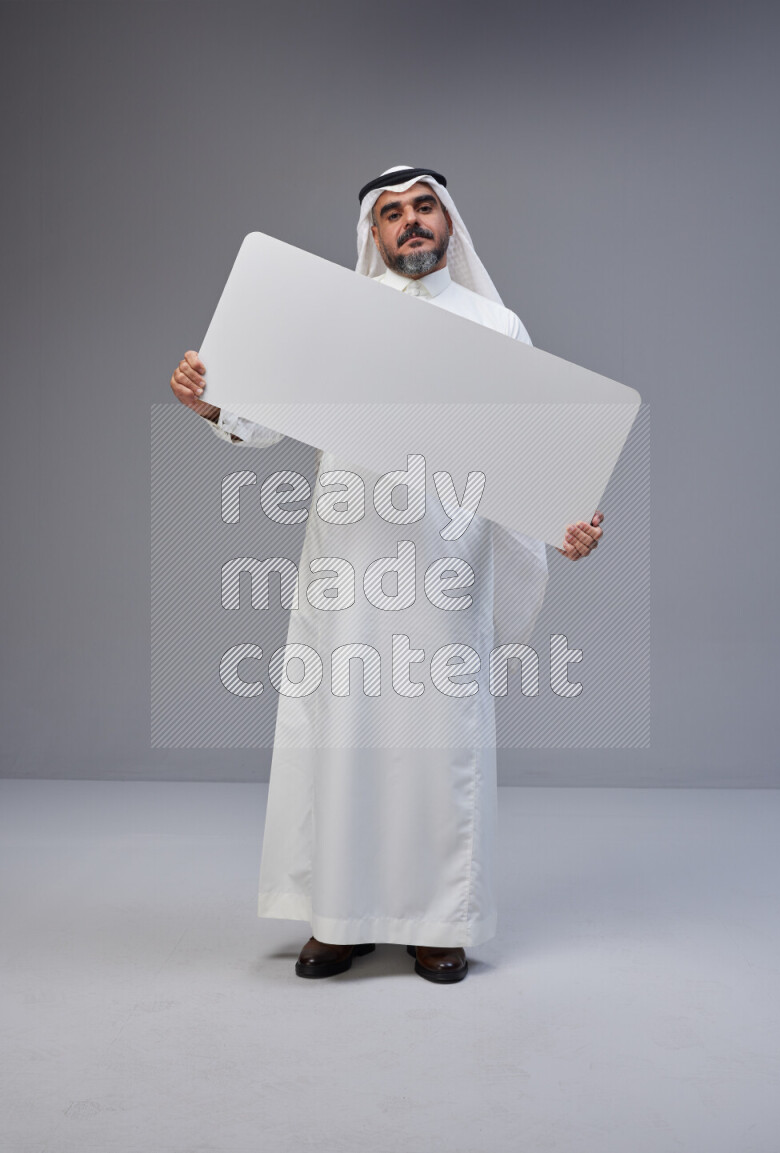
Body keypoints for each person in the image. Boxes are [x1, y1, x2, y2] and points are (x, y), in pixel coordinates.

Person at [169, 165, 604, 984]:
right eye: (393, 212)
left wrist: (564, 518)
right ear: (373, 232)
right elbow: (266, 412)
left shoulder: (496, 325)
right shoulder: (340, 316)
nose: (410, 221)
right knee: (343, 735)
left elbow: (531, 450)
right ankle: (340, 919)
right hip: (351, 557)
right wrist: (213, 404)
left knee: (440, 743)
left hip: (445, 564)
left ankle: (440, 922)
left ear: (449, 224)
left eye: (424, 207)